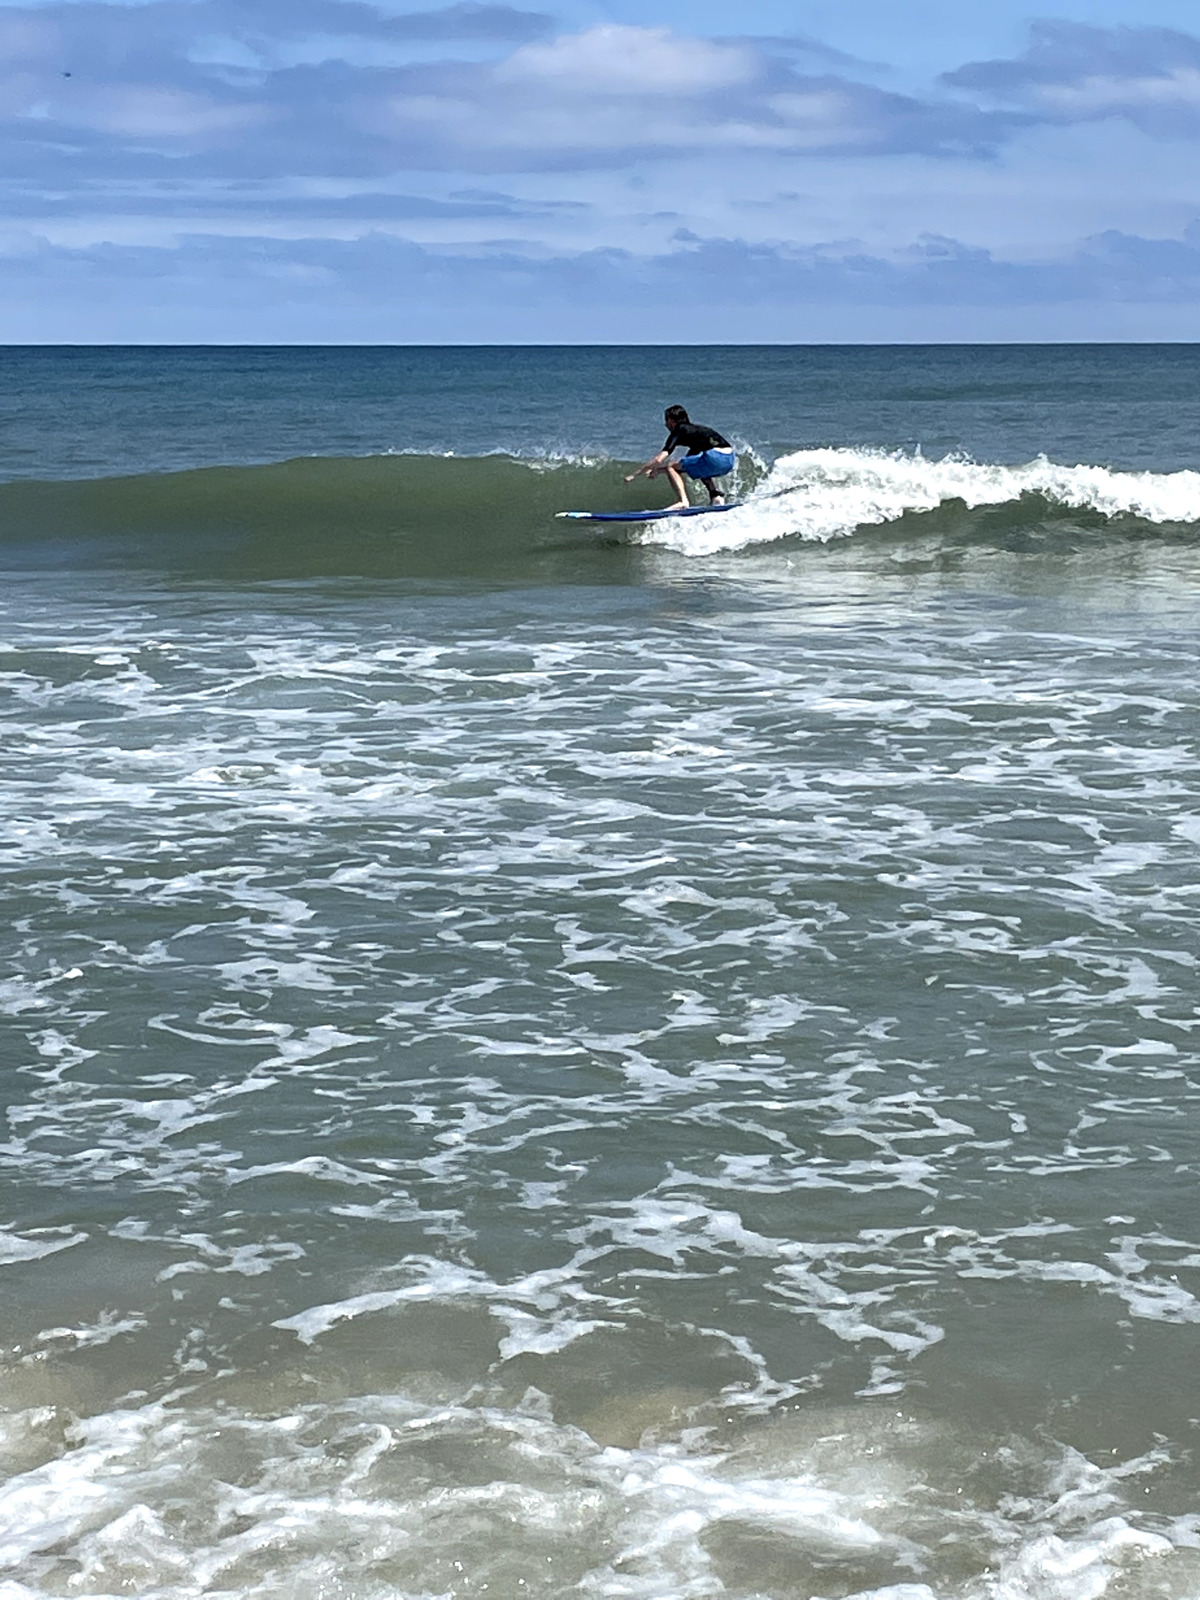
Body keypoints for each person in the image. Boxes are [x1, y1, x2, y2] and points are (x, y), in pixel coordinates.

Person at [624, 405, 736, 509]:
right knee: (697, 467)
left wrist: (634, 474)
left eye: (666, 421)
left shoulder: (679, 429)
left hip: (715, 456)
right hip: (729, 459)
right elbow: (683, 468)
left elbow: (659, 458)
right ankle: (716, 497)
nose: (666, 425)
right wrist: (658, 471)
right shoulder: (696, 434)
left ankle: (683, 501)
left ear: (671, 421)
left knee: (672, 465)